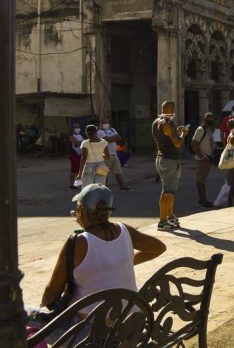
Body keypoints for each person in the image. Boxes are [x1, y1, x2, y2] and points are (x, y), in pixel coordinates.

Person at [27, 184, 165, 344]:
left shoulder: (78, 242)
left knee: (22, 314)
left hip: (90, 335)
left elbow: (51, 293)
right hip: (128, 325)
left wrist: (45, 309)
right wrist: (125, 262)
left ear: (81, 211)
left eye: (76, 208)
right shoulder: (125, 230)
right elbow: (158, 247)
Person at [152, 100, 189, 231]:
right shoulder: (167, 123)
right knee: (167, 191)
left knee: (170, 191)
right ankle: (162, 221)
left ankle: (170, 216)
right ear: (172, 110)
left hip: (161, 158)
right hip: (169, 160)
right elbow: (177, 143)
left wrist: (176, 132)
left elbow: (168, 137)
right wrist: (183, 135)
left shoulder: (156, 122)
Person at [191, 112, 216, 208]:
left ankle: (203, 200)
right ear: (205, 119)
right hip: (202, 159)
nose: (211, 120)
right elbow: (194, 145)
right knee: (200, 180)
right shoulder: (200, 130)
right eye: (209, 119)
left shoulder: (208, 130)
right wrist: (201, 156)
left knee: (202, 180)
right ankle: (202, 201)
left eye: (212, 118)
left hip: (207, 159)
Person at [97, 118, 130, 191]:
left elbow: (119, 138)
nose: (106, 124)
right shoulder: (100, 132)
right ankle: (103, 188)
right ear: (101, 124)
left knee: (118, 171)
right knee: (104, 172)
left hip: (114, 154)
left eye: (107, 122)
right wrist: (114, 138)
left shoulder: (112, 129)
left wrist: (111, 138)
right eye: (104, 123)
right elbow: (106, 140)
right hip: (105, 155)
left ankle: (122, 186)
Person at [68, 123, 84, 190]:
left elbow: (81, 143)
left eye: (78, 127)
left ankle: (77, 183)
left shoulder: (81, 136)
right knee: (74, 170)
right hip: (75, 155)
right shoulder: (72, 136)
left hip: (81, 155)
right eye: (75, 127)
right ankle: (71, 184)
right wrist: (82, 142)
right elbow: (76, 144)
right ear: (73, 129)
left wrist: (80, 142)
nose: (77, 128)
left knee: (79, 170)